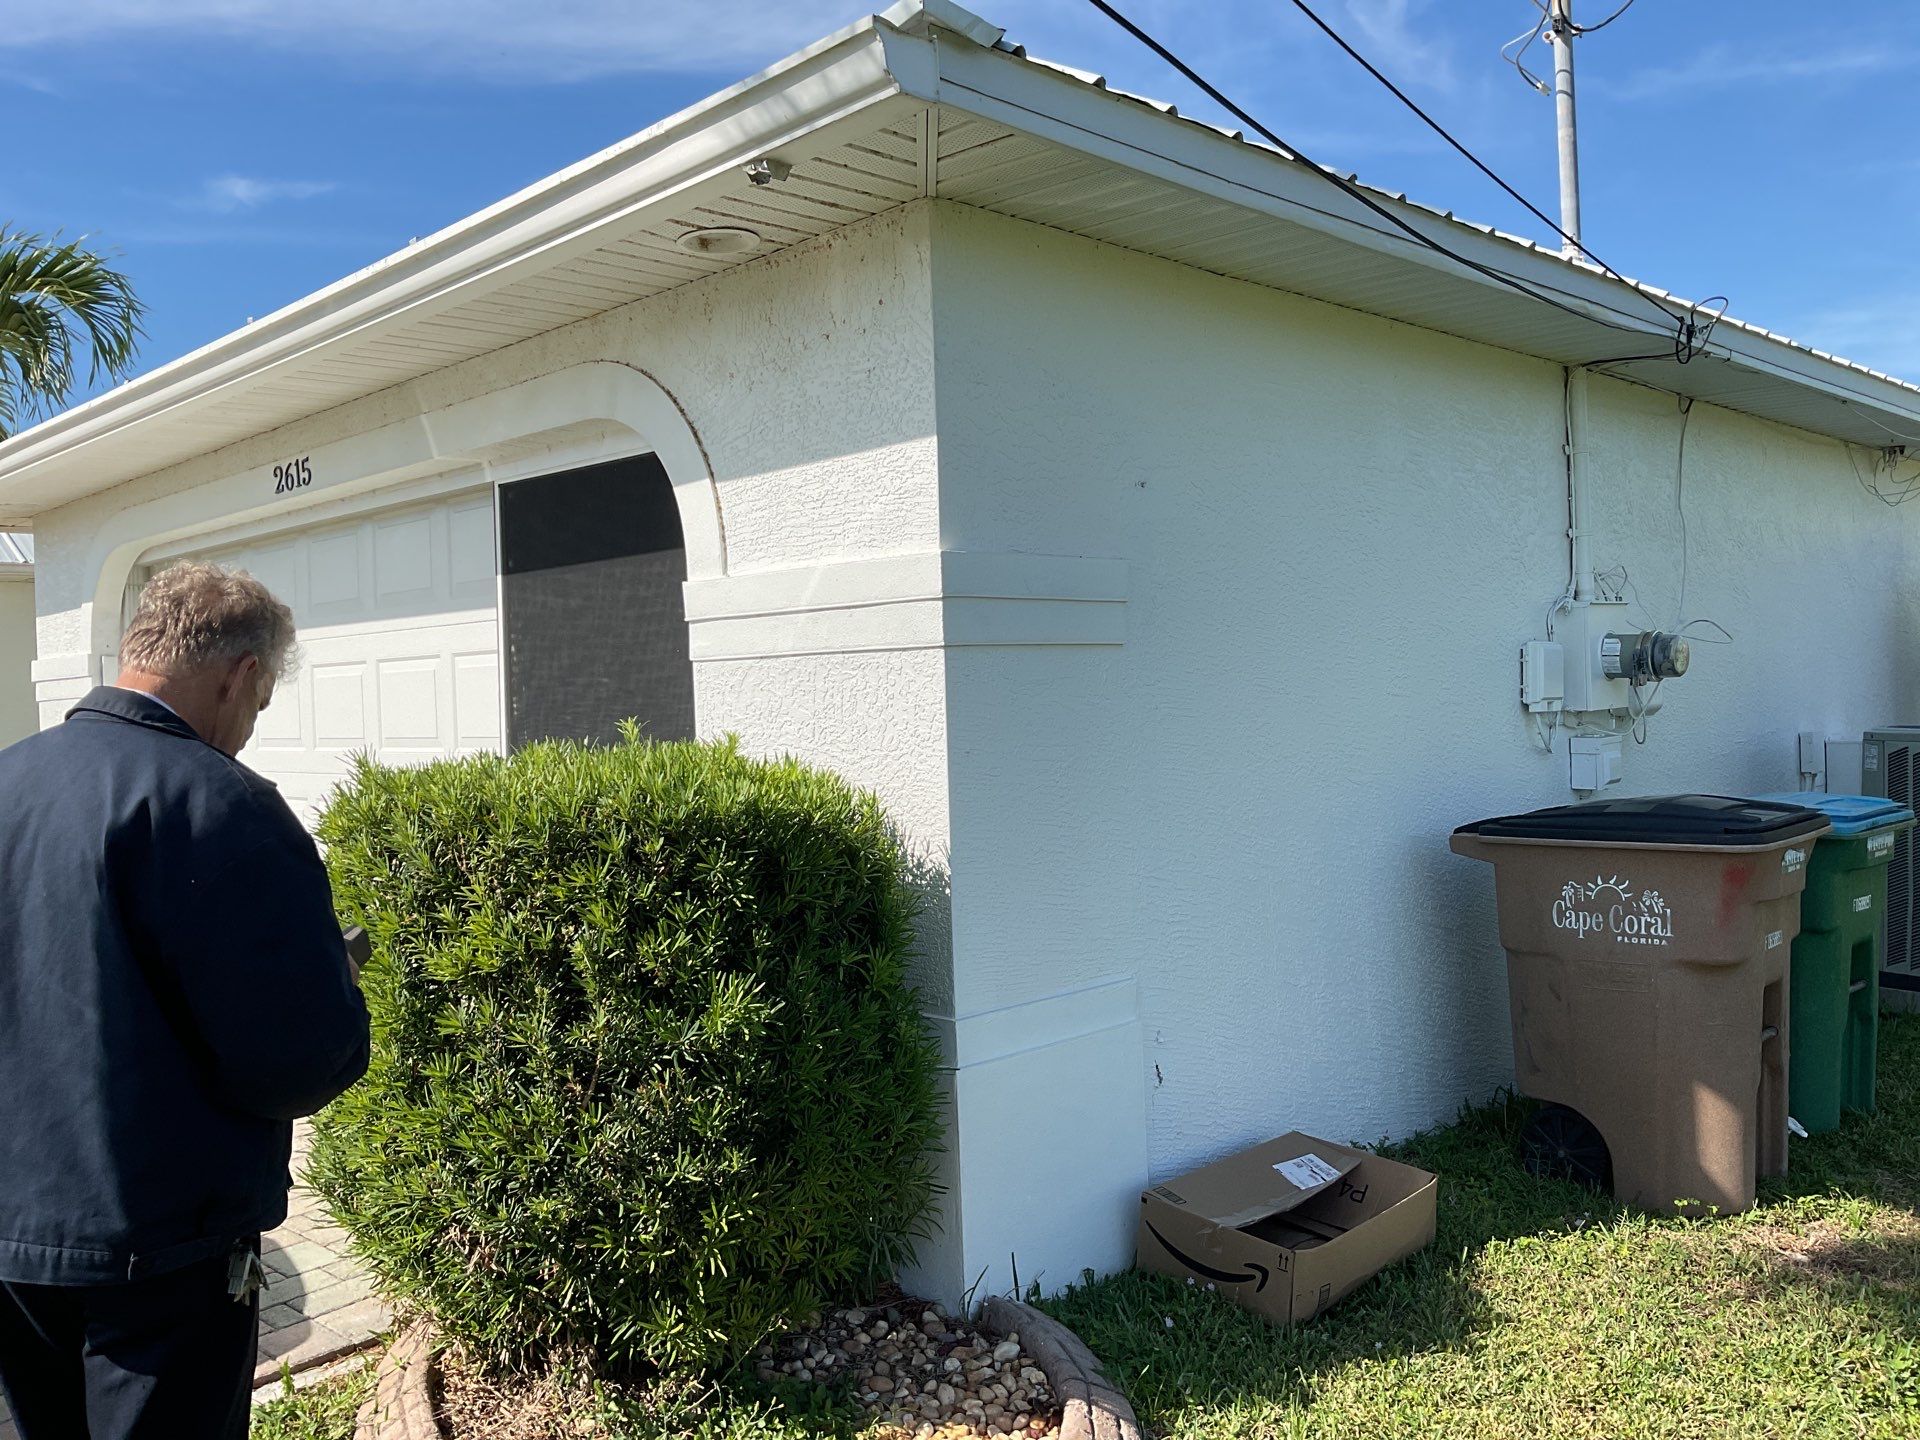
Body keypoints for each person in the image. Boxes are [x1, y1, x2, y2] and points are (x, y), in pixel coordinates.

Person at [0, 562, 371, 1440]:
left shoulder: (9, 780)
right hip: (161, 1255)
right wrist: (337, 991)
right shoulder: (224, 804)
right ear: (241, 675)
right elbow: (297, 1060)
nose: (252, 724)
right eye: (263, 697)